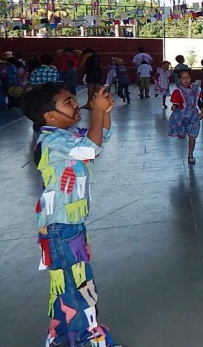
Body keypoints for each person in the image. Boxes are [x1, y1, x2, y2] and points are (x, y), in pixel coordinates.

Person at [22, 82, 119, 347]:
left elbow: (100, 137)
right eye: (68, 102)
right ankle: (84, 341)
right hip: (61, 228)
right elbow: (91, 149)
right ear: (50, 116)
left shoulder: (66, 135)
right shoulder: (52, 141)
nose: (76, 105)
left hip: (67, 226)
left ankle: (61, 337)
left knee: (66, 284)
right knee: (78, 289)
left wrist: (104, 112)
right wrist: (95, 112)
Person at [169, 68, 203, 164]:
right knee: (182, 133)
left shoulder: (195, 89)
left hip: (193, 116)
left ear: (190, 78)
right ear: (179, 79)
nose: (185, 80)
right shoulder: (178, 91)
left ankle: (190, 155)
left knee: (192, 136)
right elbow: (176, 103)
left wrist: (202, 109)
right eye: (183, 78)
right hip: (182, 116)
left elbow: (198, 101)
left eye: (187, 78)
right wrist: (174, 106)